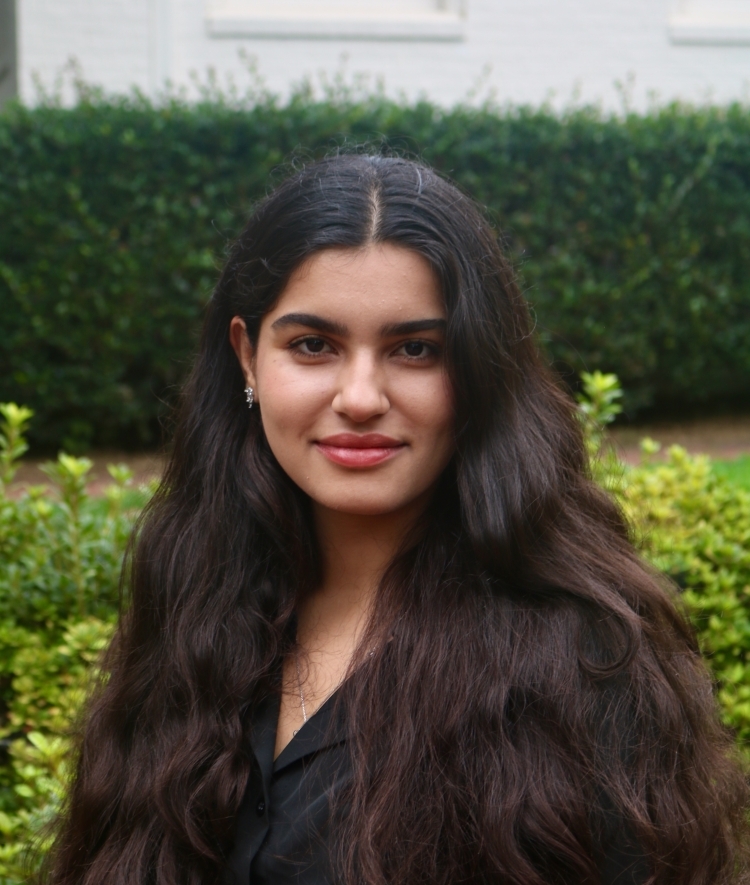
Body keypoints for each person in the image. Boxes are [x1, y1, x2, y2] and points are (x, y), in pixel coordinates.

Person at [45, 154, 749, 885]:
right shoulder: (194, 604)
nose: (359, 395)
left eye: (415, 349)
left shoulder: (584, 662)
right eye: (313, 345)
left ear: (479, 371)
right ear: (248, 357)